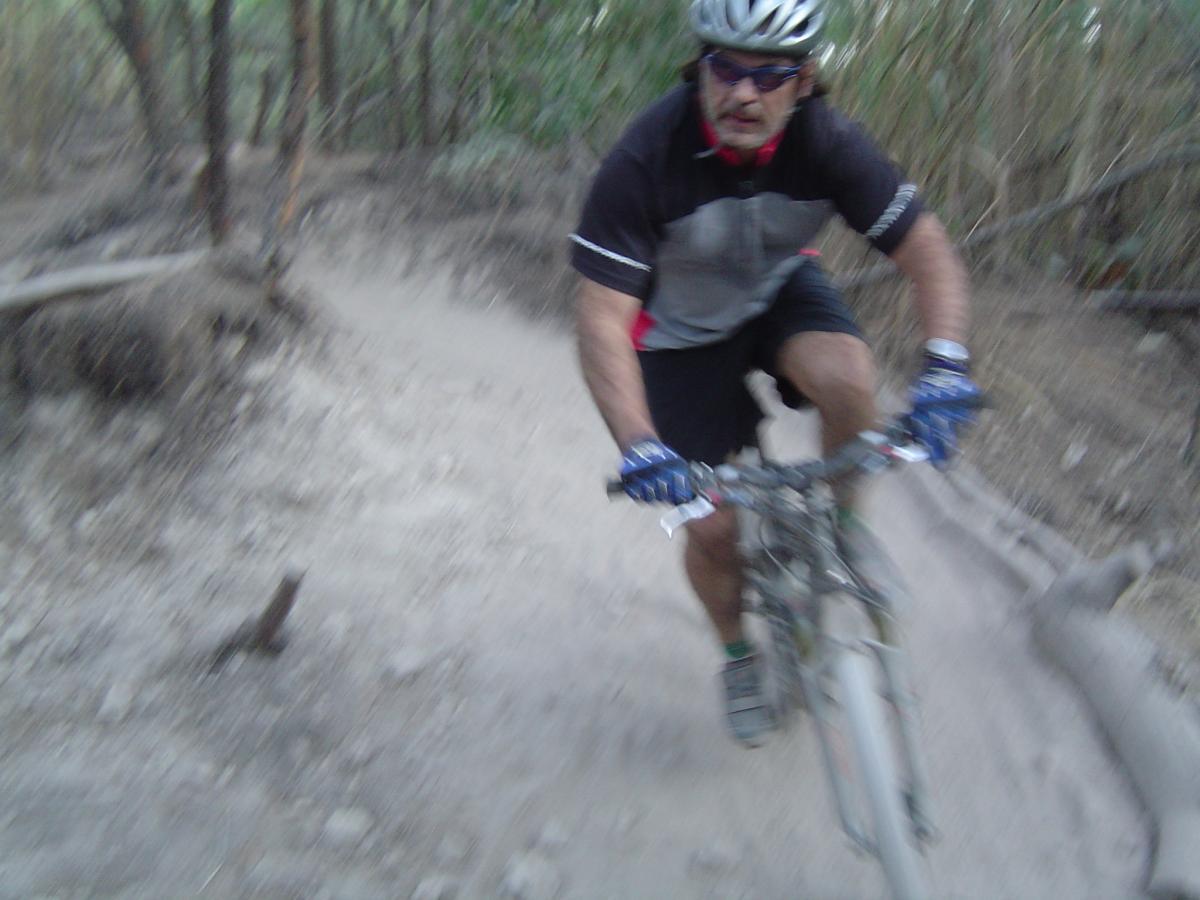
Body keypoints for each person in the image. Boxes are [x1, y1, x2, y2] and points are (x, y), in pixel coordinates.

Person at [571, 0, 982, 746]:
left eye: (769, 76)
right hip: (677, 335)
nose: (744, 93)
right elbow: (601, 317)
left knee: (850, 379)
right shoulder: (645, 159)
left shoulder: (828, 143)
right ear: (699, 70)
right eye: (725, 69)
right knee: (714, 528)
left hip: (774, 292)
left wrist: (947, 368)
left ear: (805, 81)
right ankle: (737, 655)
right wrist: (639, 444)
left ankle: (846, 527)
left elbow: (930, 256)